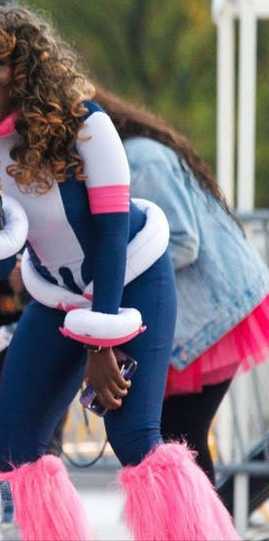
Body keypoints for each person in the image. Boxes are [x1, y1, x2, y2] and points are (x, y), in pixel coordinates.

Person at [0, 3, 237, 540]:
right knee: (14, 445)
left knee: (134, 439)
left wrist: (101, 344)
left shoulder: (85, 125)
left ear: (25, 67)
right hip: (56, 297)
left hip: (129, 281)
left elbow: (111, 237)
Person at [92, 87, 269, 482]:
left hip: (214, 311)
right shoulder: (132, 156)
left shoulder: (141, 159)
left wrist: (108, 274)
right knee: (176, 437)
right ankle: (198, 515)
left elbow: (183, 242)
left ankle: (201, 516)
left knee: (180, 435)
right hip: (193, 311)